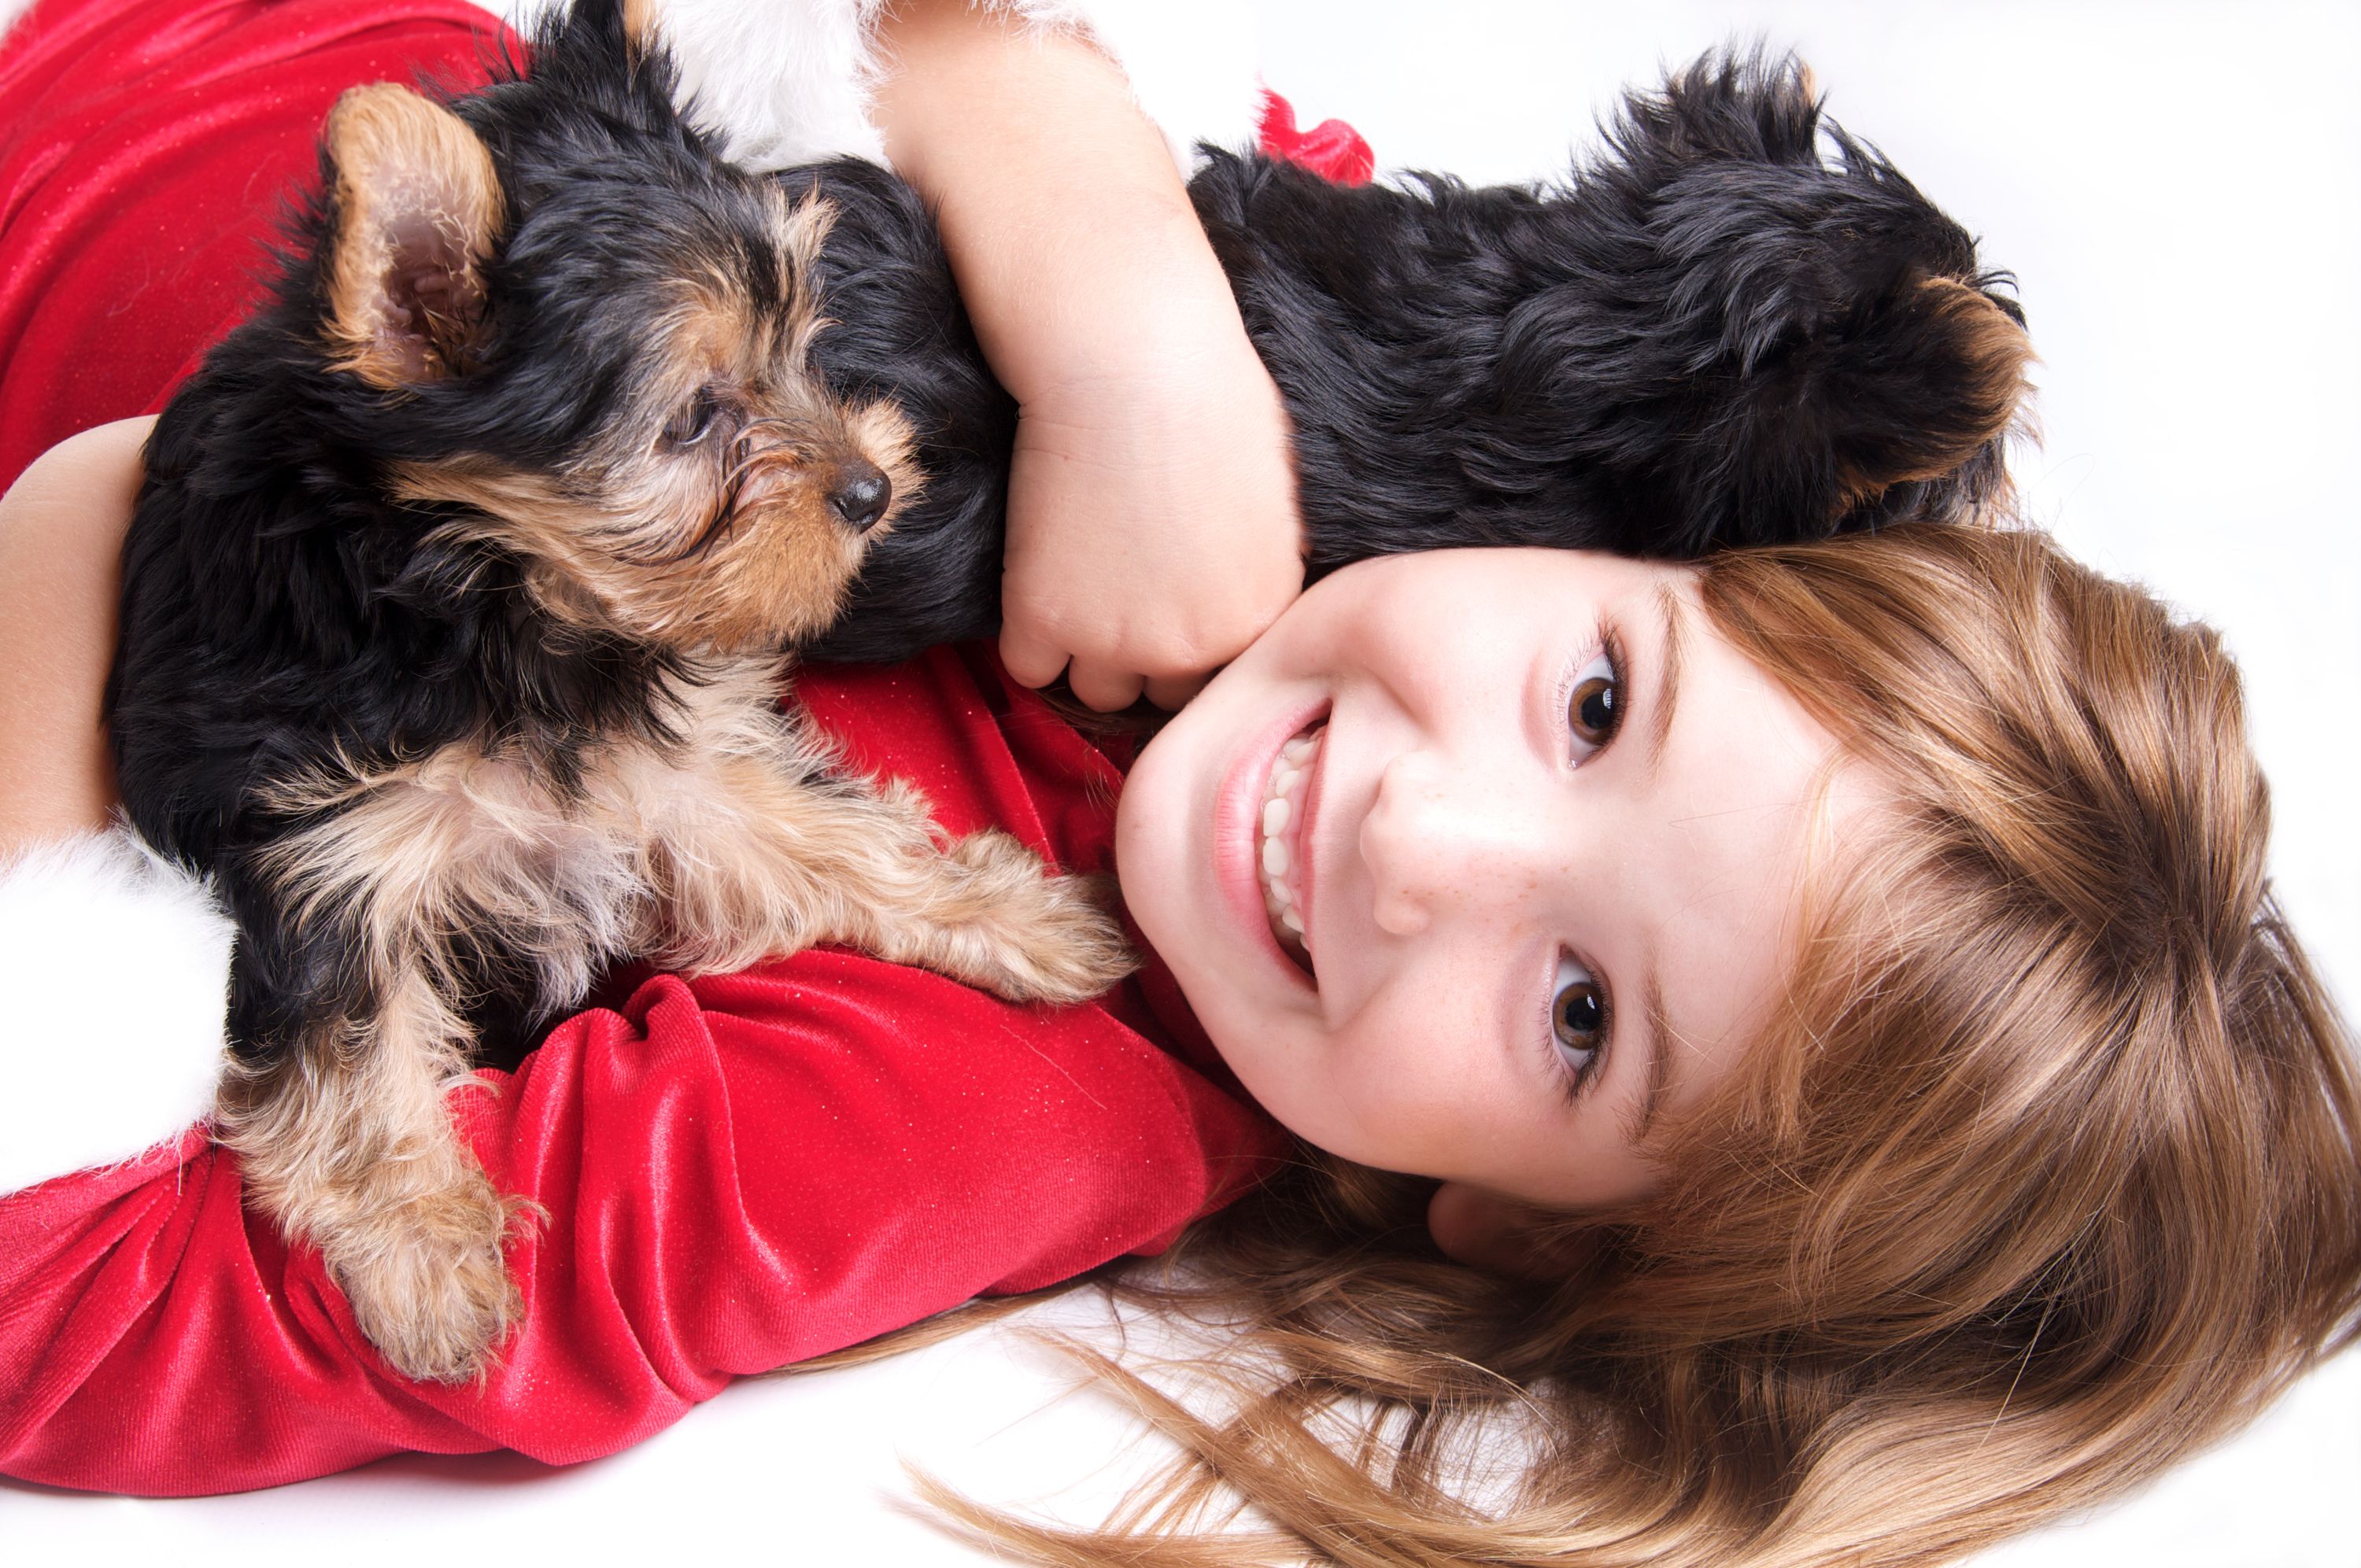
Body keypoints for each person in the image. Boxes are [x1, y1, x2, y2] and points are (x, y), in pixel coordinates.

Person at [2, 4, 2355, 1566]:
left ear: (1530, 1227)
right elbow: (949, 45)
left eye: (1578, 1014)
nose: (1418, 833)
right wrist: (1122, 294)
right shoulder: (1355, 455)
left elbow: (138, 1315)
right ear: (1661, 545)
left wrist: (70, 597)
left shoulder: (990, 1099)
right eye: (1606, 706)